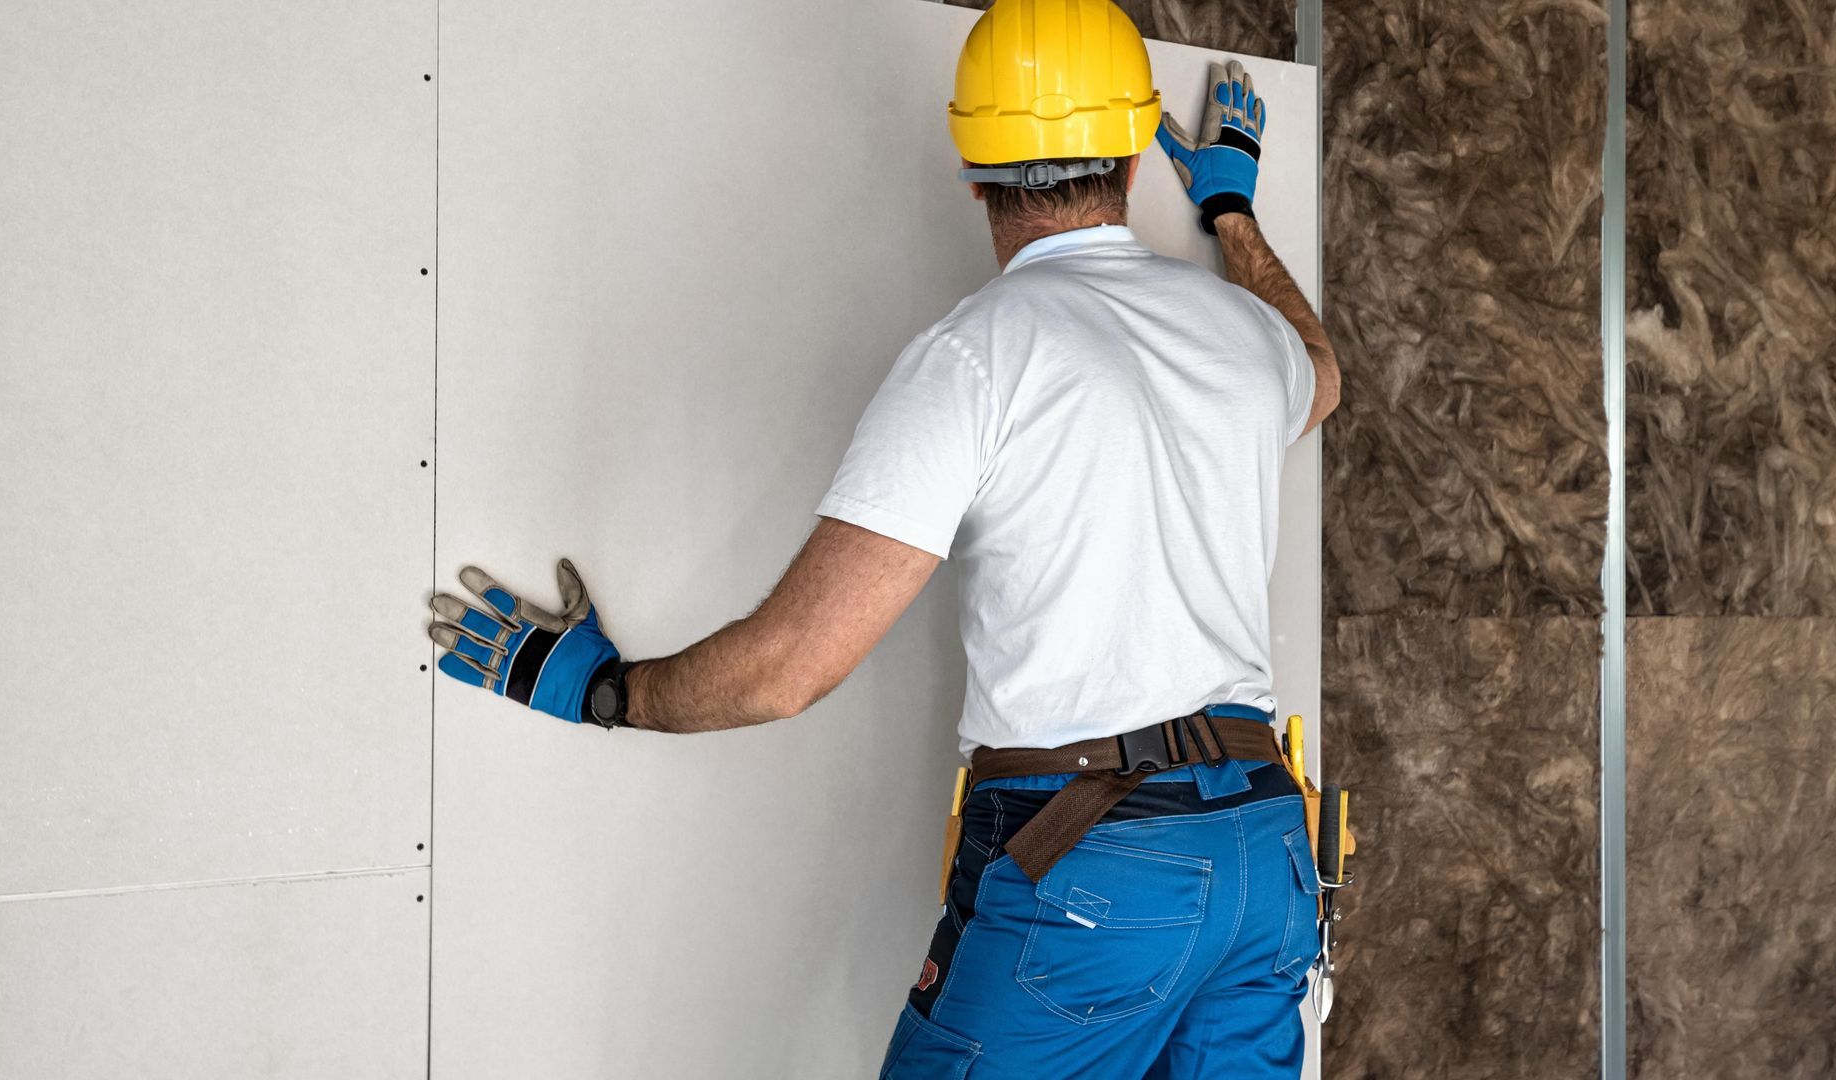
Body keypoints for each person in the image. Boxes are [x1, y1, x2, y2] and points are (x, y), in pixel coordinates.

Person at [426, 0, 1339, 1075]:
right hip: (1265, 861)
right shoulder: (1244, 336)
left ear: (975, 172)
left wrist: (605, 691)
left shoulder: (979, 358)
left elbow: (789, 671)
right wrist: (1232, 210)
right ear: (1134, 155)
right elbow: (1321, 373)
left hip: (1101, 869)